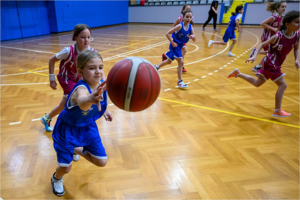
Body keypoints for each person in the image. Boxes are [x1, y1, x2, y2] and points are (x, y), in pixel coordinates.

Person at [51, 50, 113, 196]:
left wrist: (104, 111)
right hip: (67, 130)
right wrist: (91, 99)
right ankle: (56, 179)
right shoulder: (81, 89)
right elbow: (83, 102)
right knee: (66, 168)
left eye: (100, 67)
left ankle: (75, 149)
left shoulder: (101, 85)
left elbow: (97, 103)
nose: (98, 71)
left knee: (101, 161)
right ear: (81, 72)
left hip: (87, 126)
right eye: (92, 68)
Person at [228, 10, 299, 117]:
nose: (299, 25)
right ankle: (277, 110)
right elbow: (261, 45)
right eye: (297, 22)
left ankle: (238, 73)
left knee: (257, 83)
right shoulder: (278, 36)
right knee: (283, 85)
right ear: (287, 24)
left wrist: (296, 59)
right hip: (271, 63)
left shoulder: (297, 35)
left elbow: (296, 48)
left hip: (273, 63)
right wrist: (254, 56)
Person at [41, 24, 95, 132]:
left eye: (88, 37)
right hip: (66, 79)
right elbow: (51, 60)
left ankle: (46, 118)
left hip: (79, 80)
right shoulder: (68, 51)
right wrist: (52, 79)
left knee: (63, 104)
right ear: (75, 37)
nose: (86, 40)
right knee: (78, 102)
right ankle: (71, 127)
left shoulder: (91, 52)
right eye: (83, 37)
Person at [154, 10, 196, 88]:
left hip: (179, 46)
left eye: (190, 17)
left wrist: (193, 37)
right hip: (175, 46)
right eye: (187, 17)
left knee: (169, 61)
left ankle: (156, 67)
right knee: (181, 62)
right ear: (183, 17)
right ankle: (180, 82)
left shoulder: (191, 27)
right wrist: (172, 42)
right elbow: (167, 33)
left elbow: (194, 39)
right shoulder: (180, 26)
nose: (188, 18)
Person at [250, 1, 287, 71]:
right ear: (277, 8)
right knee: (269, 53)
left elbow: (279, 27)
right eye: (282, 7)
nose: (284, 8)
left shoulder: (281, 17)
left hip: (273, 36)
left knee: (270, 53)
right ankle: (257, 63)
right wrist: (272, 28)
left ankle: (257, 65)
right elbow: (262, 23)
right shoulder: (274, 17)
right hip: (267, 36)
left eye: (285, 7)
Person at [162, 4, 194, 73]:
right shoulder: (179, 19)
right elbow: (173, 26)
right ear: (183, 11)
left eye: (189, 9)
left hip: (184, 37)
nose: (188, 10)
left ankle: (166, 56)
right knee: (183, 50)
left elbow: (192, 28)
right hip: (178, 38)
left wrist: (192, 35)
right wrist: (175, 32)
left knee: (182, 51)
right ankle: (181, 65)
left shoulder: (191, 19)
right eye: (187, 9)